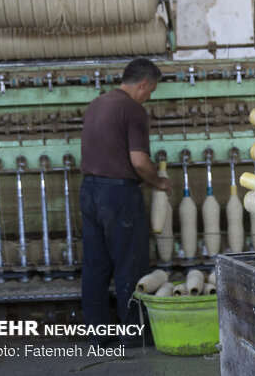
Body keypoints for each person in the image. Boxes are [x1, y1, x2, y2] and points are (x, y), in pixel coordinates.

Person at [80, 58, 172, 347]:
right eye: (152, 90)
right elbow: (139, 161)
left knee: (96, 267)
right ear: (143, 83)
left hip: (90, 192)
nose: (150, 96)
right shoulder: (133, 110)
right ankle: (132, 338)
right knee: (129, 267)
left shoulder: (96, 104)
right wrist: (159, 182)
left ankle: (97, 336)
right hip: (118, 195)